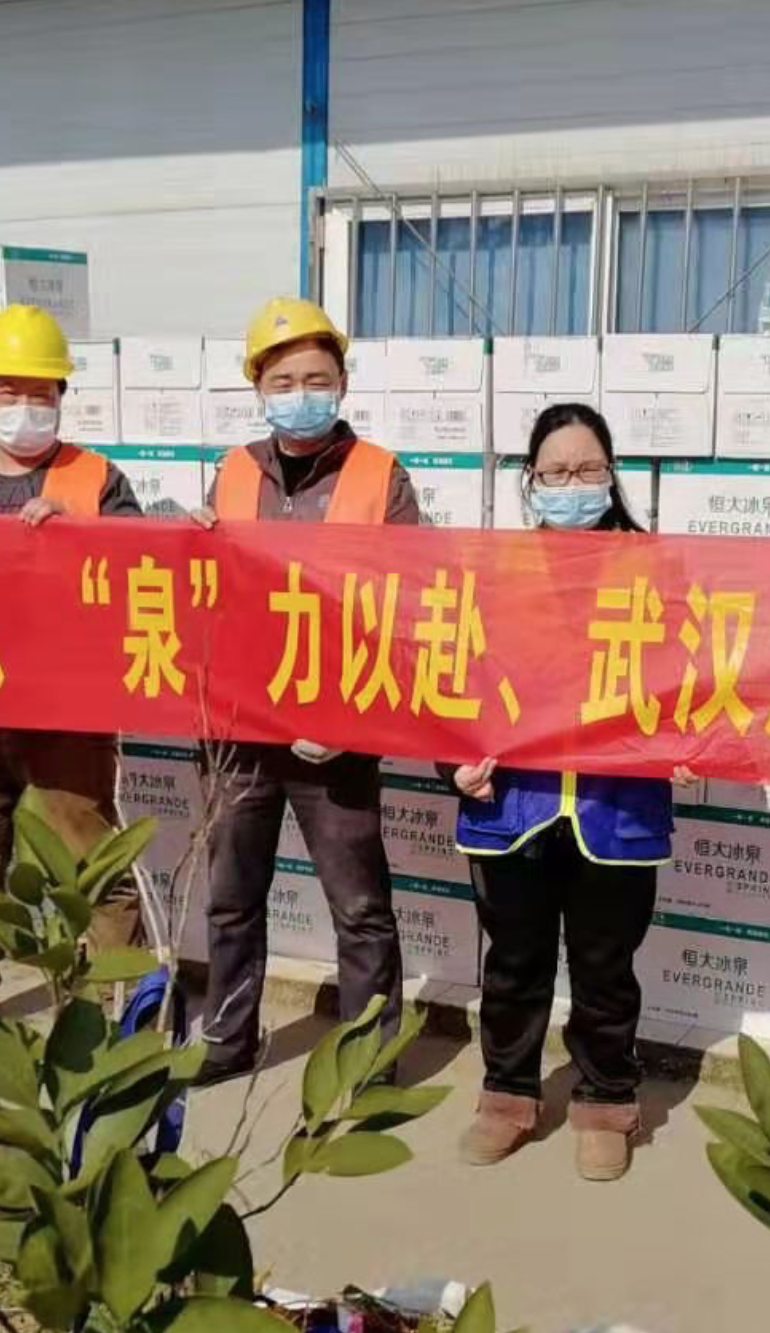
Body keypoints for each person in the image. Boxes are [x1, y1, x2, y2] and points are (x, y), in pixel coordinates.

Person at [445, 403, 696, 1182]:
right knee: (512, 962)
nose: (572, 484)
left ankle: (606, 1102)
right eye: (555, 472)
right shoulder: (494, 572)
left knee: (604, 965)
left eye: (588, 469)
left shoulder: (656, 570)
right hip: (512, 804)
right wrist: (454, 762)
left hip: (613, 808)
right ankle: (506, 1097)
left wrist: (694, 740)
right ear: (530, 481)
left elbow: (696, 672)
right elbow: (454, 676)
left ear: (612, 475)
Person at [189, 295, 422, 1086]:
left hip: (337, 733)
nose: (301, 394)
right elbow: (208, 594)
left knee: (359, 910)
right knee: (231, 900)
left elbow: (409, 606)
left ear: (343, 382)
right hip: (239, 729)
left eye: (317, 379)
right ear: (258, 386)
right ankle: (227, 1041)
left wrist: (356, 717)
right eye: (283, 380)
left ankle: (367, 1061)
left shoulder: (380, 476)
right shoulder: (232, 471)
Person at [0, 305, 146, 960]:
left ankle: (120, 999)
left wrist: (78, 526)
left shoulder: (96, 478)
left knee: (94, 868)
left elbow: (143, 565)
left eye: (40, 393)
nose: (23, 406)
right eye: (9, 391)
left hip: (65, 708)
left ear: (61, 396)